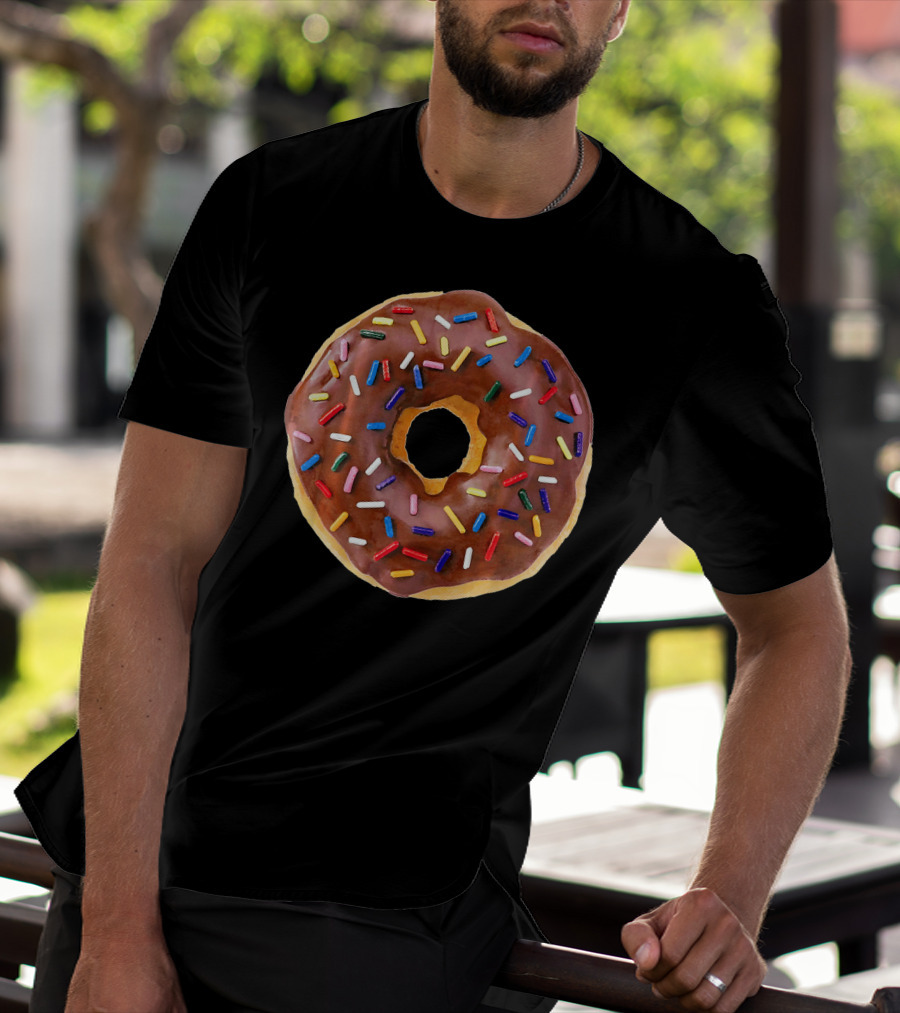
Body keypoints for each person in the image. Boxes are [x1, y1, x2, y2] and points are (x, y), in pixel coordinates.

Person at [17, 1, 852, 1011]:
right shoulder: (270, 205)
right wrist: (116, 923)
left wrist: (731, 890)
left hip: (381, 922)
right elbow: (151, 562)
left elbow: (798, 628)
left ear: (622, 10)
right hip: (133, 877)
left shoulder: (690, 301)